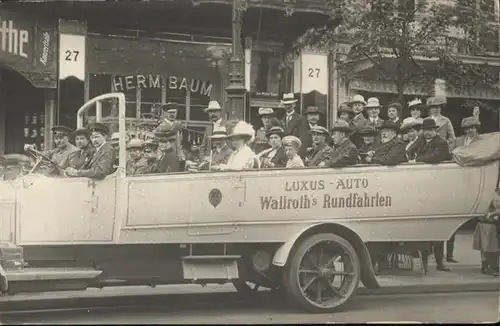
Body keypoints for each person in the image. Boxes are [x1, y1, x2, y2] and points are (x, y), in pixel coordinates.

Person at [473, 190, 500, 276]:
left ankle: (493, 265)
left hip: (494, 226)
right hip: (485, 226)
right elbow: (483, 215)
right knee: (485, 246)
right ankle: (485, 266)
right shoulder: (486, 202)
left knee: (494, 247)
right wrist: (492, 215)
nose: (498, 203)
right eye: (496, 201)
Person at [280, 93, 309, 158]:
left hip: (296, 153)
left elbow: (303, 138)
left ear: (294, 105)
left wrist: (298, 154)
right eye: (285, 105)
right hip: (285, 153)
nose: (287, 106)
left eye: (290, 104)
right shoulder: (281, 120)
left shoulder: (300, 119)